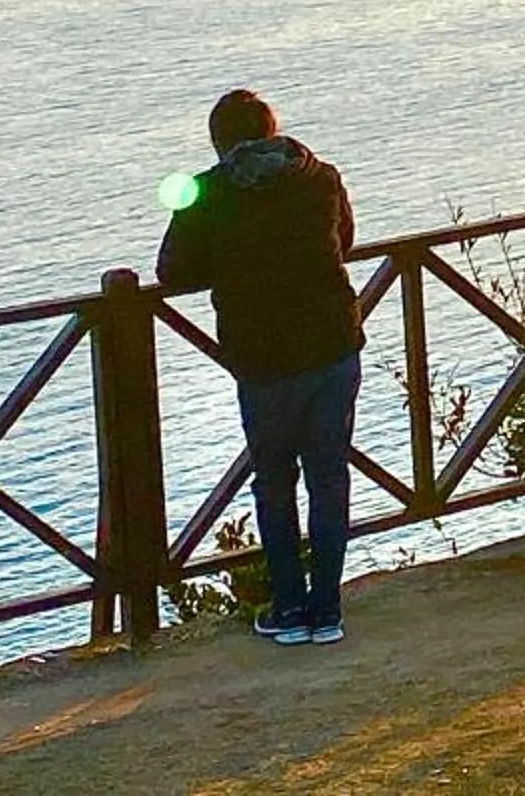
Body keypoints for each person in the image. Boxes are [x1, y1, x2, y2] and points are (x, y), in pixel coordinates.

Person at [157, 89, 363, 642]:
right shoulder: (320, 177)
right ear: (274, 130)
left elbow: (171, 273)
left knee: (274, 482)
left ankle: (290, 611)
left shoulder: (210, 194)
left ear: (221, 144)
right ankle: (329, 610)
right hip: (334, 348)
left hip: (264, 359)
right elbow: (344, 240)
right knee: (328, 477)